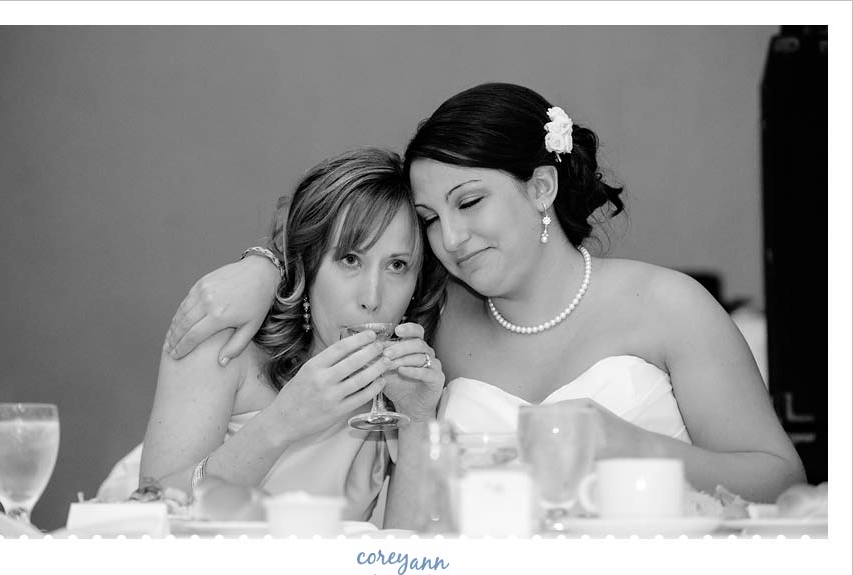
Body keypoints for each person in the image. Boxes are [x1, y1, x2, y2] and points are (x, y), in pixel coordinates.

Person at [161, 83, 805, 504]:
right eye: (434, 218)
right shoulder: (436, 317)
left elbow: (783, 481)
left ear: (541, 189)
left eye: (469, 201)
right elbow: (353, 259)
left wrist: (626, 447)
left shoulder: (669, 305)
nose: (454, 237)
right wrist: (266, 266)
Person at [102, 148, 448, 523]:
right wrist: (283, 421)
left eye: (398, 265)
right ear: (308, 263)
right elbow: (148, 519)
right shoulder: (225, 343)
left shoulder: (403, 383)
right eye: (350, 259)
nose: (372, 298)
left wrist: (417, 420)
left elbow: (402, 562)